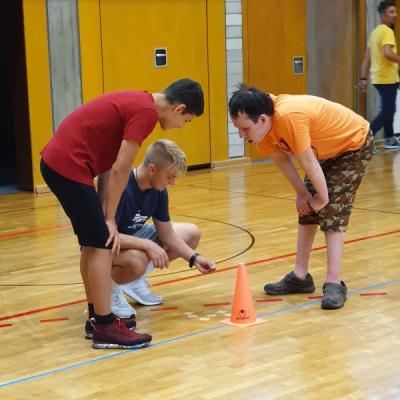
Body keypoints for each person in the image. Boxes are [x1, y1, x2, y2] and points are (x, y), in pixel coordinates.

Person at [40, 79, 204, 349]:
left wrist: (108, 216)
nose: (180, 127)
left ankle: (97, 319)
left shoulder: (138, 101)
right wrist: (109, 219)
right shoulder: (146, 112)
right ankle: (105, 325)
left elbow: (108, 167)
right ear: (179, 108)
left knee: (94, 243)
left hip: (62, 164)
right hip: (68, 166)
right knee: (100, 244)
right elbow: (120, 169)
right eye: (186, 121)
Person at [228, 84, 373, 310]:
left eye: (244, 128)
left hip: (352, 144)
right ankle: (300, 276)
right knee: (307, 210)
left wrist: (323, 198)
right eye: (237, 128)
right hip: (324, 152)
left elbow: (307, 161)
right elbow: (283, 161)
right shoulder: (262, 133)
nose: (241, 135)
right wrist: (303, 195)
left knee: (332, 211)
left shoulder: (288, 116)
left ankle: (334, 283)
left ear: (263, 119)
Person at [98, 139, 216, 326]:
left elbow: (167, 234)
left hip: (132, 236)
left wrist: (194, 258)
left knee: (191, 233)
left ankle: (134, 281)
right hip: (105, 245)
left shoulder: (159, 191)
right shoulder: (121, 186)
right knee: (138, 260)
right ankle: (110, 291)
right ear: (153, 169)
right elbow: (106, 235)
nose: (172, 182)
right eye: (170, 177)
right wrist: (148, 245)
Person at [359, 0, 400, 152]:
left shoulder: (375, 32)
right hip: (387, 78)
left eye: (395, 11)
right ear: (382, 15)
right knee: (387, 111)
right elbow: (387, 53)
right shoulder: (387, 32)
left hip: (377, 78)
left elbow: (367, 58)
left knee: (389, 109)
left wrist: (363, 79)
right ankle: (363, 140)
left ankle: (390, 139)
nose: (395, 15)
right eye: (391, 12)